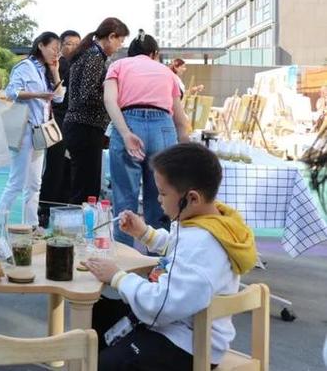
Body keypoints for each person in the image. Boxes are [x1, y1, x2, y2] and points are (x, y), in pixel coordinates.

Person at [85, 143, 257, 371]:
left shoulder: (202, 243)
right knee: (99, 315)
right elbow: (177, 249)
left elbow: (161, 305)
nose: (158, 199)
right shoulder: (211, 221)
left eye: (163, 193)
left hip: (188, 345)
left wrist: (117, 277)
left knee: (106, 363)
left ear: (192, 198)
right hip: (180, 325)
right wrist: (145, 233)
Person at [103, 30, 190, 246]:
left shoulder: (118, 66)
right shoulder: (168, 73)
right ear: (154, 53)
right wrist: (188, 152)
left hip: (129, 122)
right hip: (163, 127)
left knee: (124, 197)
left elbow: (110, 101)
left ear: (130, 53)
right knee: (161, 197)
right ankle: (159, 264)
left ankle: (124, 261)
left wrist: (125, 133)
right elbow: (180, 119)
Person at [0, 32, 64, 228]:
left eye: (58, 50)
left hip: (40, 132)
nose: (56, 53)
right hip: (24, 130)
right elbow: (12, 92)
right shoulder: (25, 67)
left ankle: (31, 225)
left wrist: (56, 70)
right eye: (53, 48)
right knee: (16, 182)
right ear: (41, 46)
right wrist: (38, 94)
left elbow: (58, 98)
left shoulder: (46, 70)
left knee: (35, 184)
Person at [63, 18, 129, 204]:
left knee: (84, 184)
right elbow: (88, 94)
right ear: (110, 36)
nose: (119, 46)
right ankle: (81, 227)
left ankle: (80, 225)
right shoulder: (94, 56)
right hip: (85, 127)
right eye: (120, 41)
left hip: (82, 127)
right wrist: (111, 102)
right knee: (86, 187)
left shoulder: (90, 54)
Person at [40, 29, 81, 227]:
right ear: (61, 46)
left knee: (65, 168)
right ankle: (46, 209)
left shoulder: (76, 65)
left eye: (77, 44)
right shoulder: (59, 65)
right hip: (57, 120)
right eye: (69, 44)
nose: (73, 47)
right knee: (55, 167)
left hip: (71, 122)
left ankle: (59, 208)